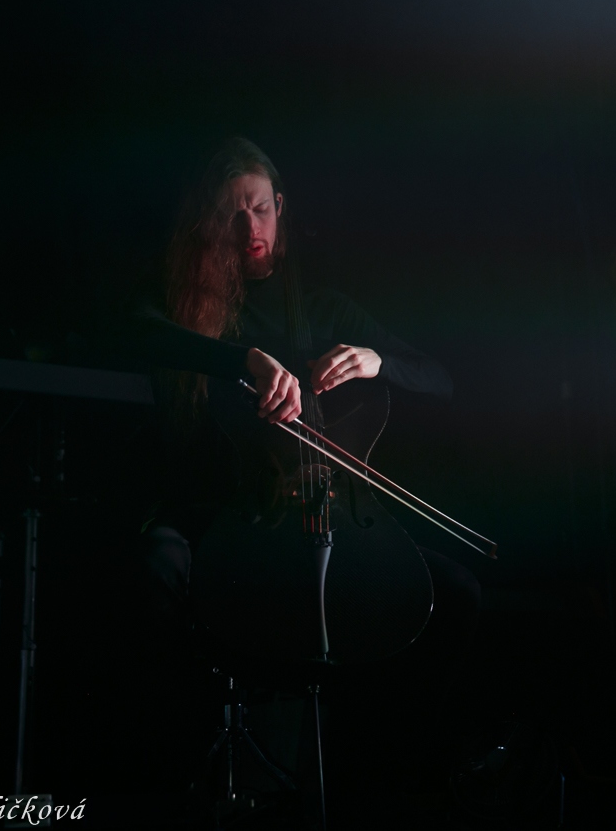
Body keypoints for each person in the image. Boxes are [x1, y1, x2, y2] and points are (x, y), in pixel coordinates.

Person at [111, 137, 480, 822]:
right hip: (230, 511)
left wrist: (378, 359)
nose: (248, 227)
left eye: (258, 208)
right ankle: (174, 778)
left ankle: (394, 782)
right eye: (231, 214)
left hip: (333, 520)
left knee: (456, 594)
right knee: (155, 563)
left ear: (279, 207)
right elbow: (138, 330)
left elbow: (440, 378)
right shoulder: (198, 306)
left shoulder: (325, 308)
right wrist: (242, 359)